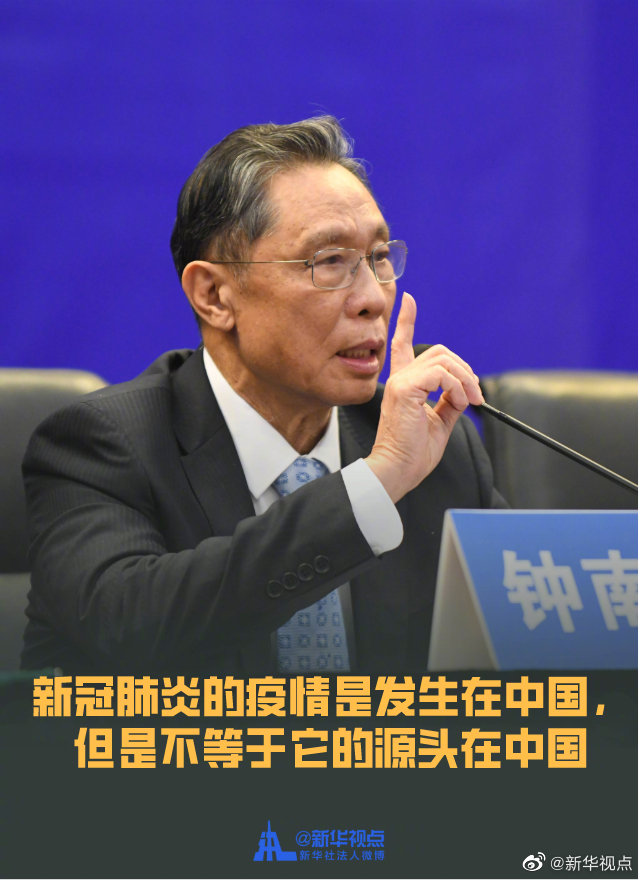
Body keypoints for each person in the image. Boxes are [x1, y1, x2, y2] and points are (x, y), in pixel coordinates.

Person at [21, 116, 504, 675]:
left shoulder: (433, 448)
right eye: (329, 262)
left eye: (378, 257)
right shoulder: (102, 447)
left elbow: (527, 642)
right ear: (214, 295)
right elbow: (132, 629)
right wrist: (374, 485)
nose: (374, 298)